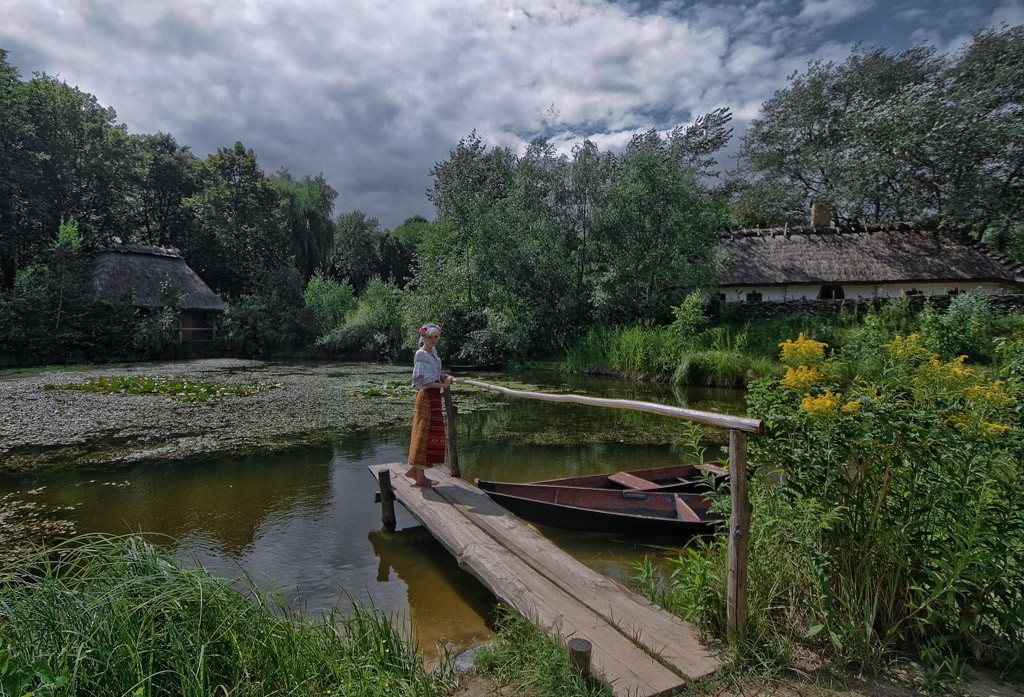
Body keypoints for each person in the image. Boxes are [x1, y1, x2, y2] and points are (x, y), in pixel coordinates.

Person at [406, 323, 453, 486]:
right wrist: (444, 386)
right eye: (430, 337)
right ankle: (420, 477)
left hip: (433, 396)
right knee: (424, 434)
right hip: (426, 396)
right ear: (423, 337)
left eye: (436, 336)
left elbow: (432, 374)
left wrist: (442, 375)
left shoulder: (433, 353)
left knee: (428, 434)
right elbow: (422, 380)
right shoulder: (421, 355)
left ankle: (417, 473)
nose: (434, 340)